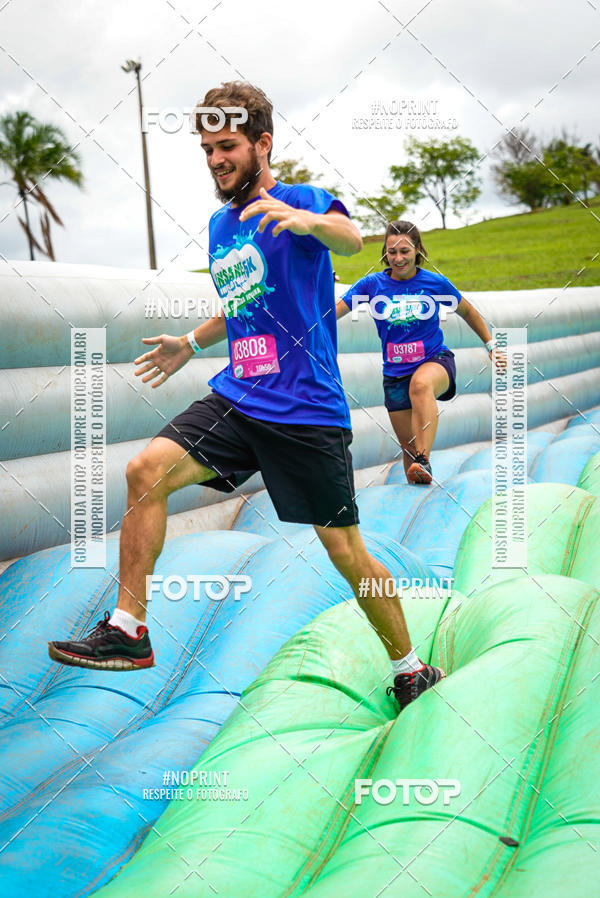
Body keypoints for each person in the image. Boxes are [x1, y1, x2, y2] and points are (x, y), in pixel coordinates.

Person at [48, 83, 444, 711]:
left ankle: (410, 666)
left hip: (307, 412)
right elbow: (241, 305)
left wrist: (312, 222)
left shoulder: (302, 203)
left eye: (226, 146)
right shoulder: (220, 224)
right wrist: (189, 340)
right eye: (206, 149)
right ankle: (128, 630)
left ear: (262, 144)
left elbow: (350, 239)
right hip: (239, 395)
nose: (215, 160)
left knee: (345, 549)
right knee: (145, 470)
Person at [336, 220, 500, 484]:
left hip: (435, 361)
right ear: (385, 254)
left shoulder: (435, 283)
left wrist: (490, 344)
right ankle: (419, 477)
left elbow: (467, 311)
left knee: (420, 384)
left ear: (418, 250)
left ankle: (425, 458)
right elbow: (334, 312)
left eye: (405, 251)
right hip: (395, 375)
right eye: (392, 252)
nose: (398, 258)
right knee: (409, 452)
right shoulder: (371, 285)